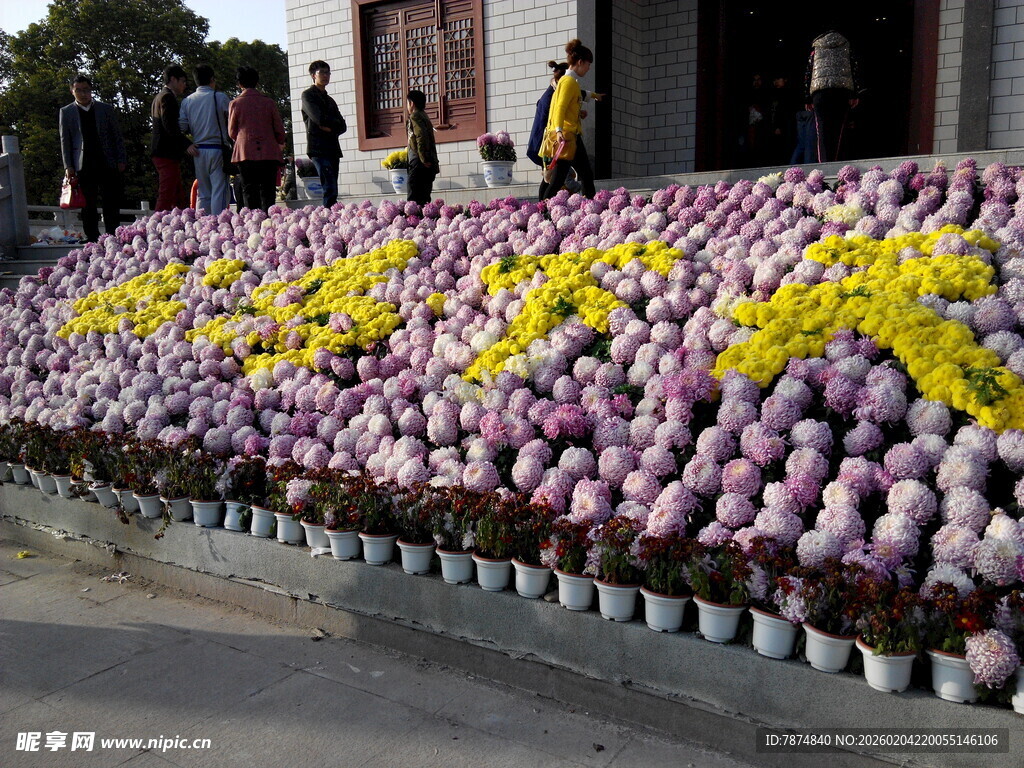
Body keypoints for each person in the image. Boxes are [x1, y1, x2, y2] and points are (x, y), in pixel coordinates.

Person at [59, 75, 126, 242]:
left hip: (107, 161)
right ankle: (92, 237)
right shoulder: (66, 112)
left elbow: (117, 135)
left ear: (91, 90)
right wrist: (68, 166)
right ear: (72, 91)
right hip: (83, 163)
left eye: (86, 90)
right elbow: (64, 140)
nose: (83, 94)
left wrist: (121, 159)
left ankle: (113, 235)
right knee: (87, 203)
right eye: (79, 90)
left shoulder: (105, 109)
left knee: (111, 201)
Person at [540, 39, 598, 201]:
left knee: (580, 173)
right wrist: (558, 130)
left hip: (569, 135)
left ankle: (589, 204)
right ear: (580, 62)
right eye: (588, 64)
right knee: (563, 177)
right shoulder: (569, 82)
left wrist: (595, 96)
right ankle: (543, 208)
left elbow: (579, 97)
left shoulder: (567, 81)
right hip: (567, 136)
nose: (588, 68)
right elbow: (560, 107)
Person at [228, 66, 286, 213]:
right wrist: (278, 141)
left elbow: (232, 132)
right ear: (257, 82)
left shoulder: (235, 103)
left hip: (245, 152)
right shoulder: (268, 102)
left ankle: (253, 221)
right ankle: (270, 220)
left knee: (249, 190)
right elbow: (279, 130)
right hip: (268, 152)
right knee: (268, 190)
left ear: (239, 84)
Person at [178, 63, 231, 215]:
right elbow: (232, 119)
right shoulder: (219, 97)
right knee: (219, 191)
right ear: (212, 79)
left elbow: (181, 127)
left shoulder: (187, 101)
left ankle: (202, 224)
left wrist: (186, 143)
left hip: (197, 150)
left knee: (204, 192)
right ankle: (218, 223)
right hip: (217, 149)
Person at [804, 31, 860, 162]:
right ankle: (837, 162)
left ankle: (824, 164)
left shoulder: (816, 48)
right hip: (841, 92)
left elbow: (809, 72)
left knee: (822, 131)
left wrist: (807, 97)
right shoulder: (846, 46)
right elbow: (854, 69)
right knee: (839, 129)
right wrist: (854, 94)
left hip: (820, 92)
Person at [150, 65, 198, 212]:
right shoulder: (167, 97)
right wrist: (186, 144)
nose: (185, 85)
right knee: (167, 193)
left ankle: (180, 221)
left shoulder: (159, 97)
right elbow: (170, 126)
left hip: (162, 152)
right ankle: (156, 226)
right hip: (165, 152)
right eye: (182, 81)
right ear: (173, 79)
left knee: (177, 195)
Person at [301, 60, 346, 207]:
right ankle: (327, 218)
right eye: (322, 72)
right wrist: (330, 124)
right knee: (329, 187)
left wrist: (329, 127)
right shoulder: (308, 95)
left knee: (333, 187)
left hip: (332, 147)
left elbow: (343, 125)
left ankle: (331, 215)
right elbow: (318, 118)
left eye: (328, 73)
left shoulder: (330, 100)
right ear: (313, 75)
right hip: (318, 148)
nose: (326, 76)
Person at [405, 89, 438, 206]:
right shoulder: (425, 116)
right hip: (426, 162)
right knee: (424, 197)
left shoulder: (415, 116)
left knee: (413, 198)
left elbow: (421, 137)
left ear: (412, 103)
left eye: (407, 103)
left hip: (418, 162)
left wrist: (423, 158)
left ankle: (413, 222)